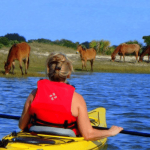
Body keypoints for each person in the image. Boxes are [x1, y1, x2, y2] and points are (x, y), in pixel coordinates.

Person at [19, 52, 123, 141]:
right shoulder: (77, 99)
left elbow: (22, 125)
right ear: (68, 74)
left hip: (35, 138)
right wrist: (110, 132)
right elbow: (88, 134)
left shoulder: (34, 93)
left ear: (48, 72)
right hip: (65, 140)